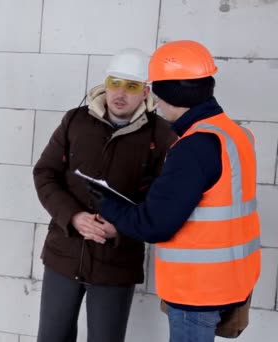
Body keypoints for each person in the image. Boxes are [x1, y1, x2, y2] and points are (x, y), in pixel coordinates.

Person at [95, 40, 261, 342]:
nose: (155, 103)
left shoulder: (194, 146)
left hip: (198, 291)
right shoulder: (236, 134)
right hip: (234, 281)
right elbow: (215, 195)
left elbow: (154, 225)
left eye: (157, 94)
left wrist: (107, 205)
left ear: (169, 95)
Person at [32, 48, 177, 342]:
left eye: (131, 86)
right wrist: (73, 217)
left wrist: (121, 226)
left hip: (116, 261)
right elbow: (45, 174)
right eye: (114, 82)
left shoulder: (161, 135)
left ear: (146, 91)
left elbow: (163, 201)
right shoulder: (75, 121)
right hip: (64, 255)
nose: (120, 93)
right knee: (52, 337)